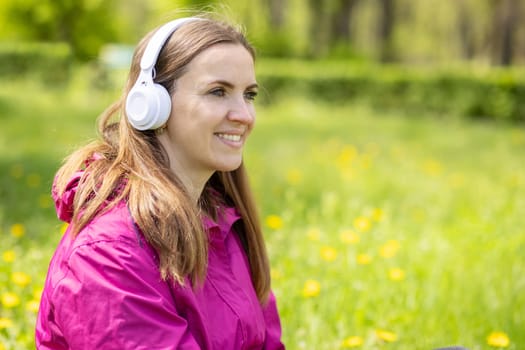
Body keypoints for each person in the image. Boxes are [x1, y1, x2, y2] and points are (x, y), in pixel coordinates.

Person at [36, 15, 284, 349]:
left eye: (249, 95)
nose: (244, 115)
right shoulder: (109, 253)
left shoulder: (222, 223)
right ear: (153, 105)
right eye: (218, 92)